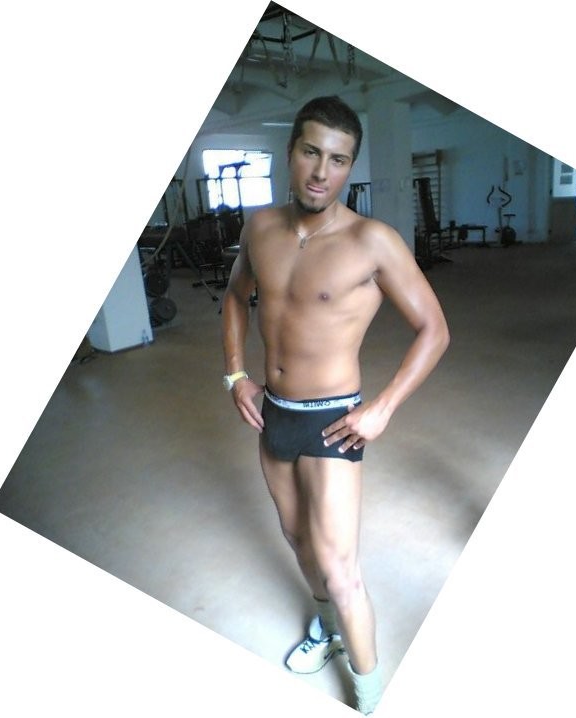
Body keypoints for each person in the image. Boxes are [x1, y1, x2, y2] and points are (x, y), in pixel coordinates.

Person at [221, 95, 449, 715]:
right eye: (311, 152)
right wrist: (236, 374)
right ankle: (325, 631)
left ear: (351, 166)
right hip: (273, 412)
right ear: (290, 151)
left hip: (334, 420)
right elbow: (235, 296)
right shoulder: (260, 228)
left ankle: (370, 697)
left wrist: (385, 406)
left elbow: (434, 329)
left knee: (340, 568)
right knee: (298, 538)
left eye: (339, 160)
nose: (322, 172)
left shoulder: (372, 241)